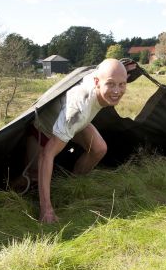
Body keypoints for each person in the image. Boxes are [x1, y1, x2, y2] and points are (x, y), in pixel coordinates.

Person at [23, 58, 129, 223]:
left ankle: (70, 186)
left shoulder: (99, 76)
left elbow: (108, 71)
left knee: (99, 148)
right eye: (111, 84)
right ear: (97, 82)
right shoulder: (79, 109)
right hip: (43, 131)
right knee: (31, 178)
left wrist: (120, 67)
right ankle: (39, 202)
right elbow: (47, 154)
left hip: (75, 123)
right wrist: (46, 210)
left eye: (122, 84)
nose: (117, 90)